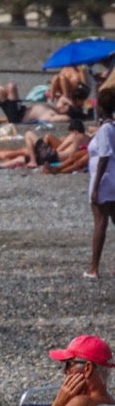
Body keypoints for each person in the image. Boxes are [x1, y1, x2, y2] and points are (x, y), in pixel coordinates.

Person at [0, 119, 88, 170]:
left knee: (28, 134)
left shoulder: (75, 136)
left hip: (54, 155)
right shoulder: (88, 139)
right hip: (54, 158)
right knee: (21, 159)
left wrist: (45, 147)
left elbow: (60, 148)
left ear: (75, 130)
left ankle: (33, 161)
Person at [85, 89, 115, 279]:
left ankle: (94, 268)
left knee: (100, 223)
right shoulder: (112, 127)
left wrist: (95, 187)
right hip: (113, 179)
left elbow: (104, 156)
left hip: (104, 181)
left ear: (101, 108)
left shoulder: (105, 130)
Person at [0, 81, 75, 125]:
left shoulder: (53, 115)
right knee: (7, 87)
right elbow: (63, 98)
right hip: (20, 110)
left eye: (66, 106)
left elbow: (67, 118)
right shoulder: (53, 109)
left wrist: (71, 107)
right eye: (65, 104)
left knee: (9, 87)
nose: (63, 104)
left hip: (18, 118)